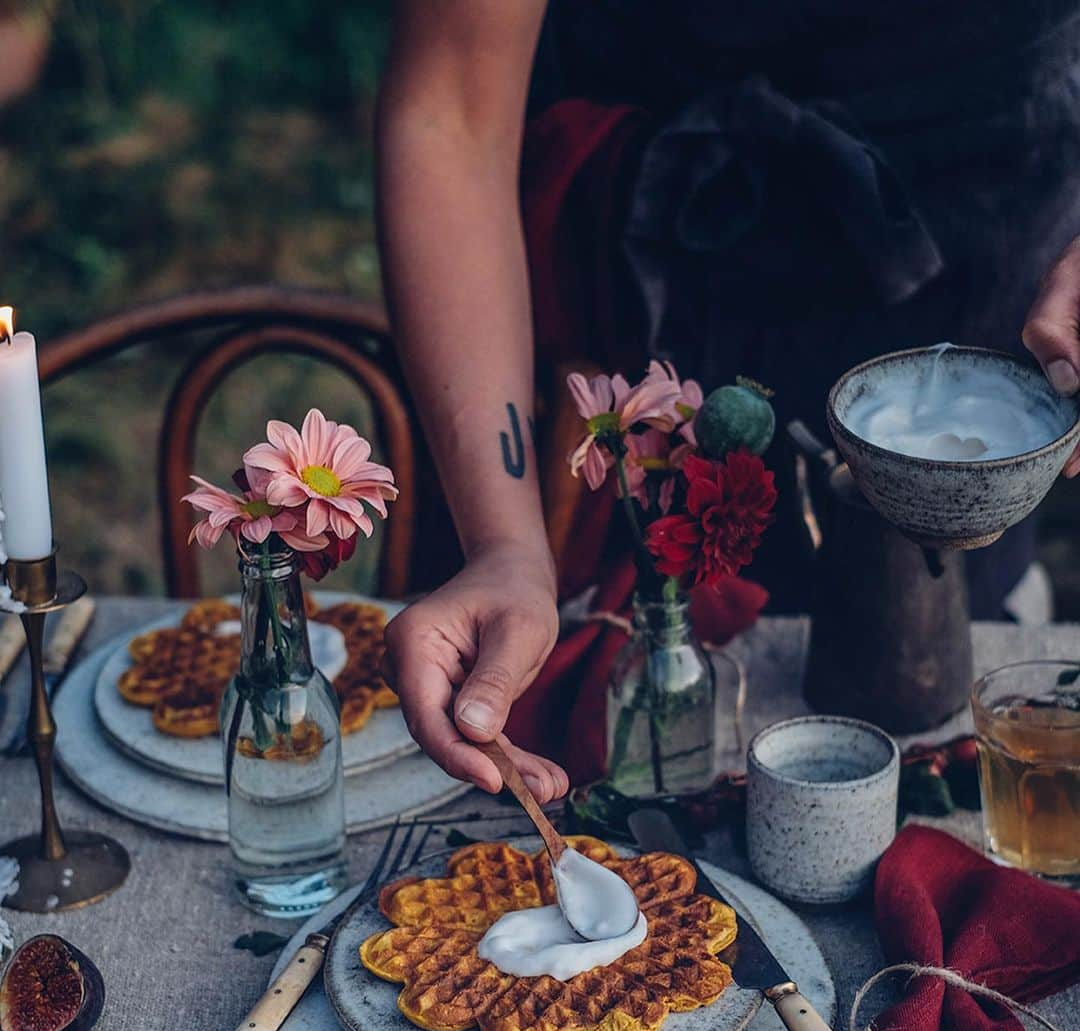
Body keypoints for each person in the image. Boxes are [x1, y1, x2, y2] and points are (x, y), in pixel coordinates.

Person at [376, 0, 1080, 804]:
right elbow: (451, 116)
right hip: (657, 262)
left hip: (988, 237)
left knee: (949, 673)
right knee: (607, 713)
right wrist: (506, 547)